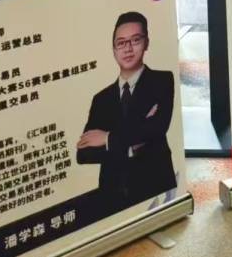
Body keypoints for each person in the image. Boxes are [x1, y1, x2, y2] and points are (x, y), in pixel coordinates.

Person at [76, 11, 177, 211]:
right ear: (114, 50)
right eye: (121, 43)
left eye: (135, 40)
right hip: (111, 193)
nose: (128, 49)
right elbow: (84, 154)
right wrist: (132, 145)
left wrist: (107, 138)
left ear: (146, 43)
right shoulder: (101, 99)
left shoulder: (162, 80)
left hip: (155, 186)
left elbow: (157, 128)